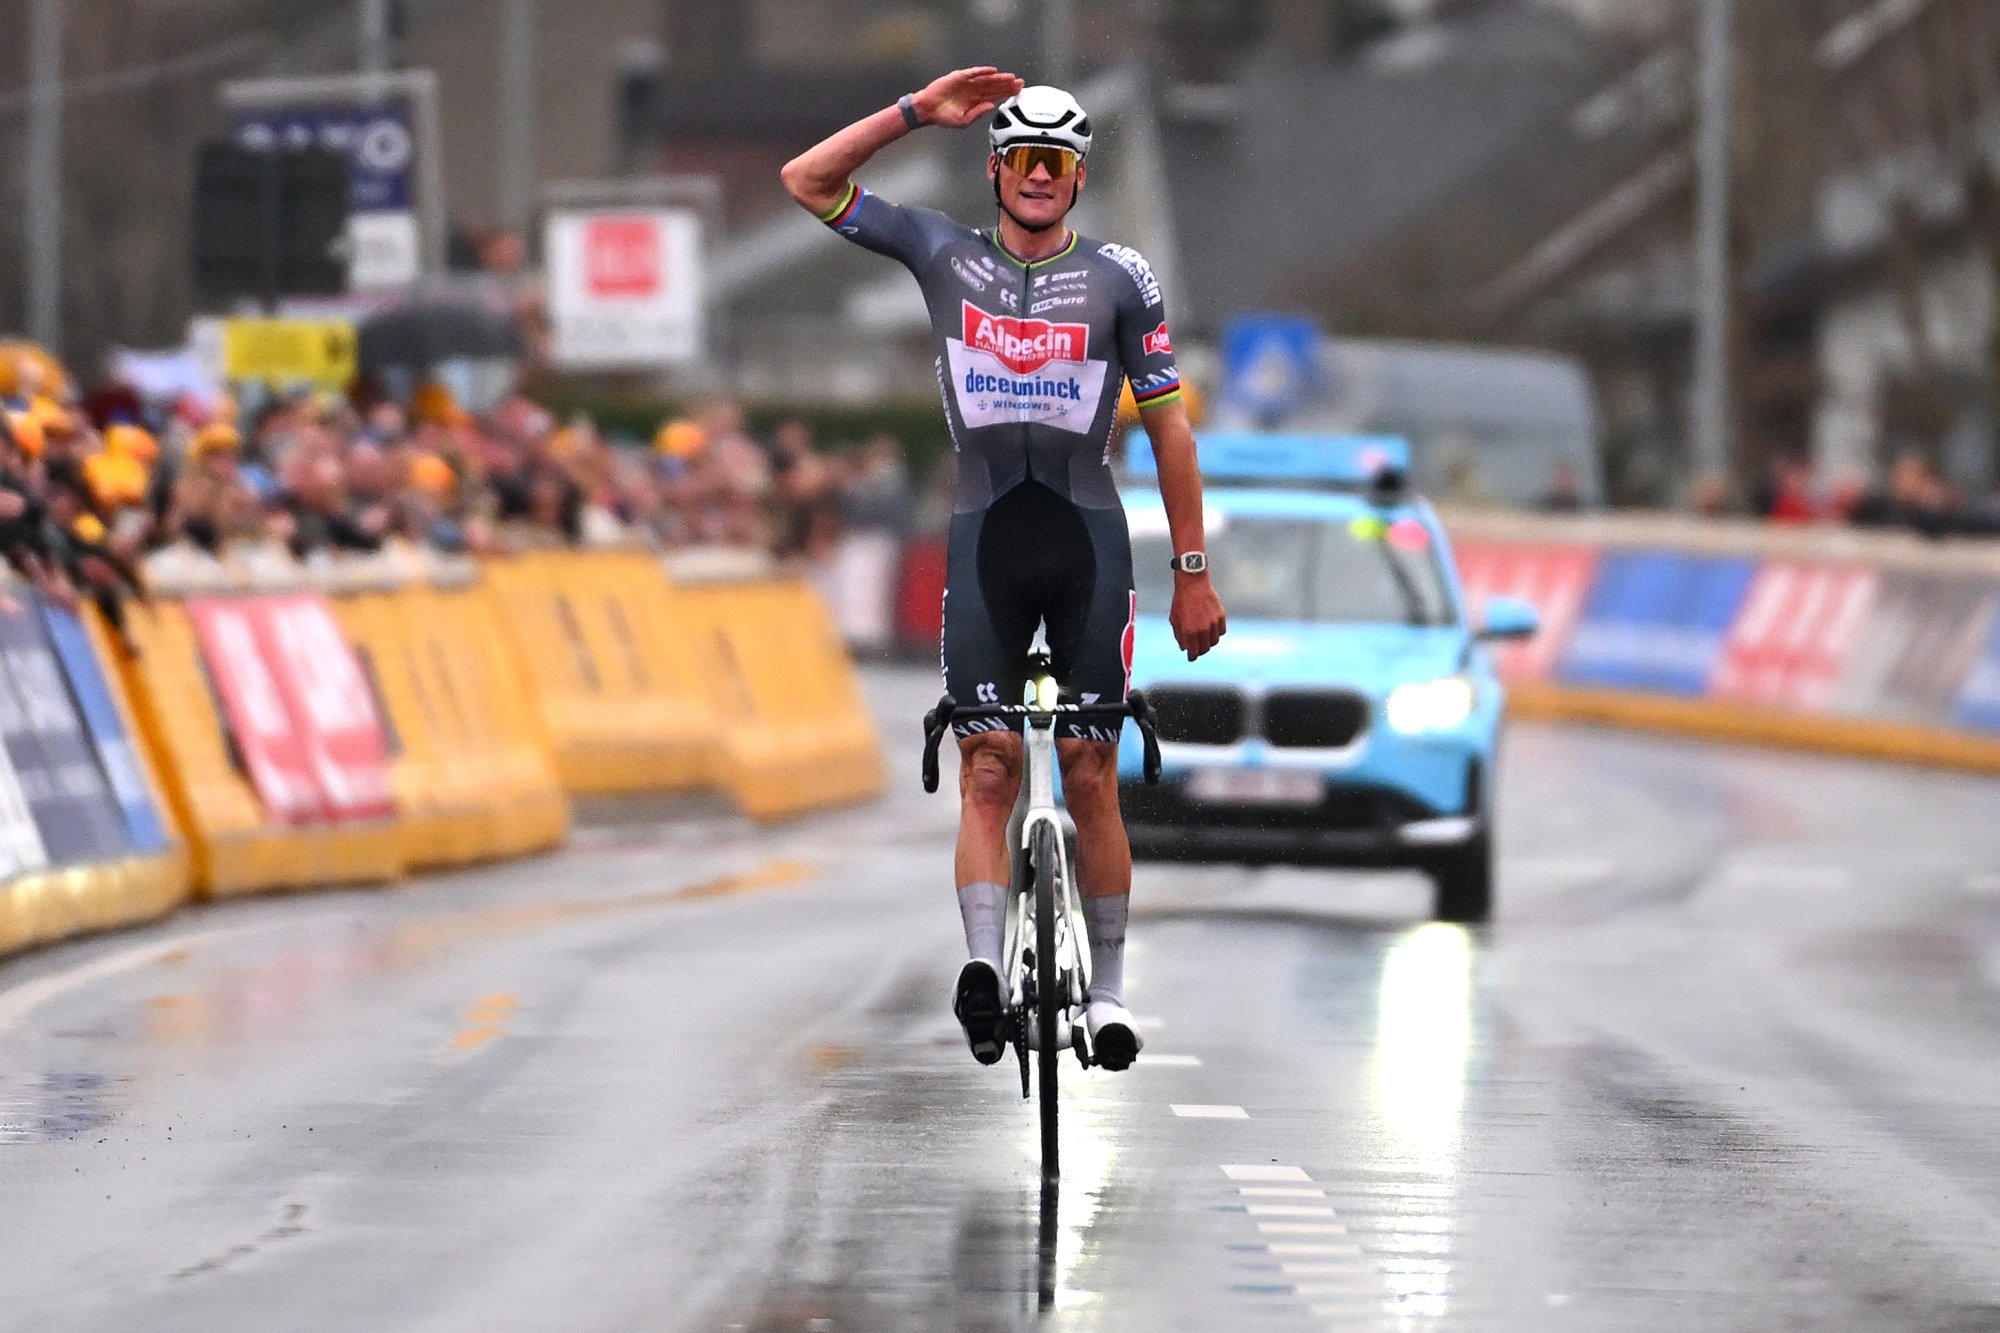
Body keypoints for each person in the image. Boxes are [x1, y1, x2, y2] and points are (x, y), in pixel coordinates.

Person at [781, 68, 1227, 1071]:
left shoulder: (1120, 278)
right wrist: (911, 113)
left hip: (1084, 540)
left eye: (1056, 163)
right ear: (993, 168)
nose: (1037, 176)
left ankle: (1108, 995)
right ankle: (982, 967)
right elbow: (806, 181)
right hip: (985, 536)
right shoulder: (943, 252)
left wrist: (1192, 571)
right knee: (987, 768)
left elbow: (1171, 433)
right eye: (1022, 158)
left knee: (1089, 772)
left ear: (1078, 179)